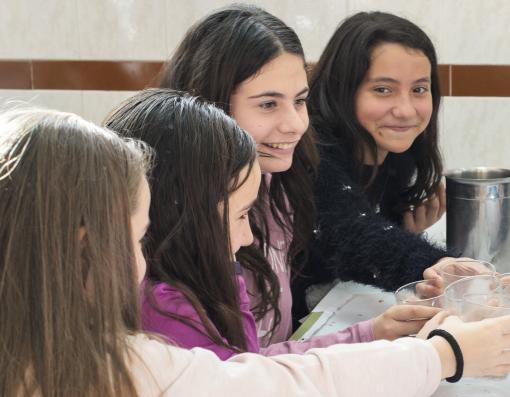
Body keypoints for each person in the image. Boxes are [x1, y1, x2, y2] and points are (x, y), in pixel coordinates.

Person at [0, 107, 510, 397]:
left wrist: (369, 337)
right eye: (136, 240)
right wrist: (442, 355)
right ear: (84, 245)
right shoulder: (108, 374)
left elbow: (249, 377)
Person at [162, 5, 453, 337]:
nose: (296, 125)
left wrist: (371, 335)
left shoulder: (274, 179)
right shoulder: (179, 217)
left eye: (300, 101)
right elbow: (347, 231)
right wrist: (433, 267)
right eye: (268, 104)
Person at [297, 11, 455, 320]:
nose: (406, 110)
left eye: (419, 89)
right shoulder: (311, 151)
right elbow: (350, 233)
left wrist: (401, 230)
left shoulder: (396, 152)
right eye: (383, 89)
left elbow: (370, 229)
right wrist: (437, 266)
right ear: (343, 90)